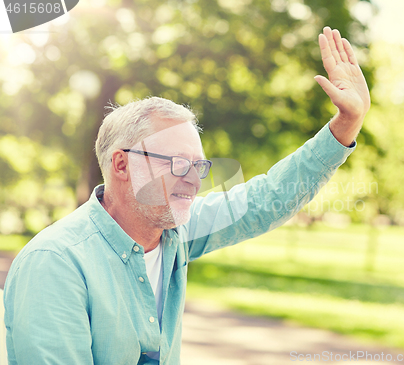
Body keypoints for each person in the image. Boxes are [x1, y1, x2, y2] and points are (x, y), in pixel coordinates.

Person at [3, 27, 370, 364]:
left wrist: (346, 124)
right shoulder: (55, 263)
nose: (193, 180)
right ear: (121, 165)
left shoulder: (174, 233)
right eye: (178, 164)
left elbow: (264, 201)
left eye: (199, 166)